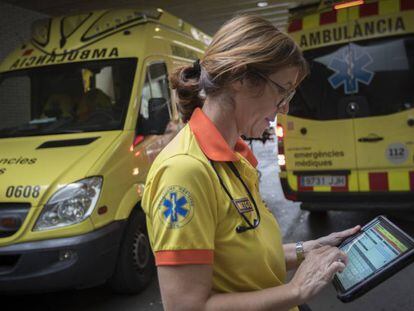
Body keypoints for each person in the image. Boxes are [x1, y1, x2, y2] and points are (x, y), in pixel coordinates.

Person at [142, 15, 361, 311]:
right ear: (240, 79)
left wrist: (305, 249)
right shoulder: (185, 171)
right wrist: (296, 290)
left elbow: (241, 256)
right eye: (282, 90)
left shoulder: (232, 156)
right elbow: (185, 306)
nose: (285, 106)